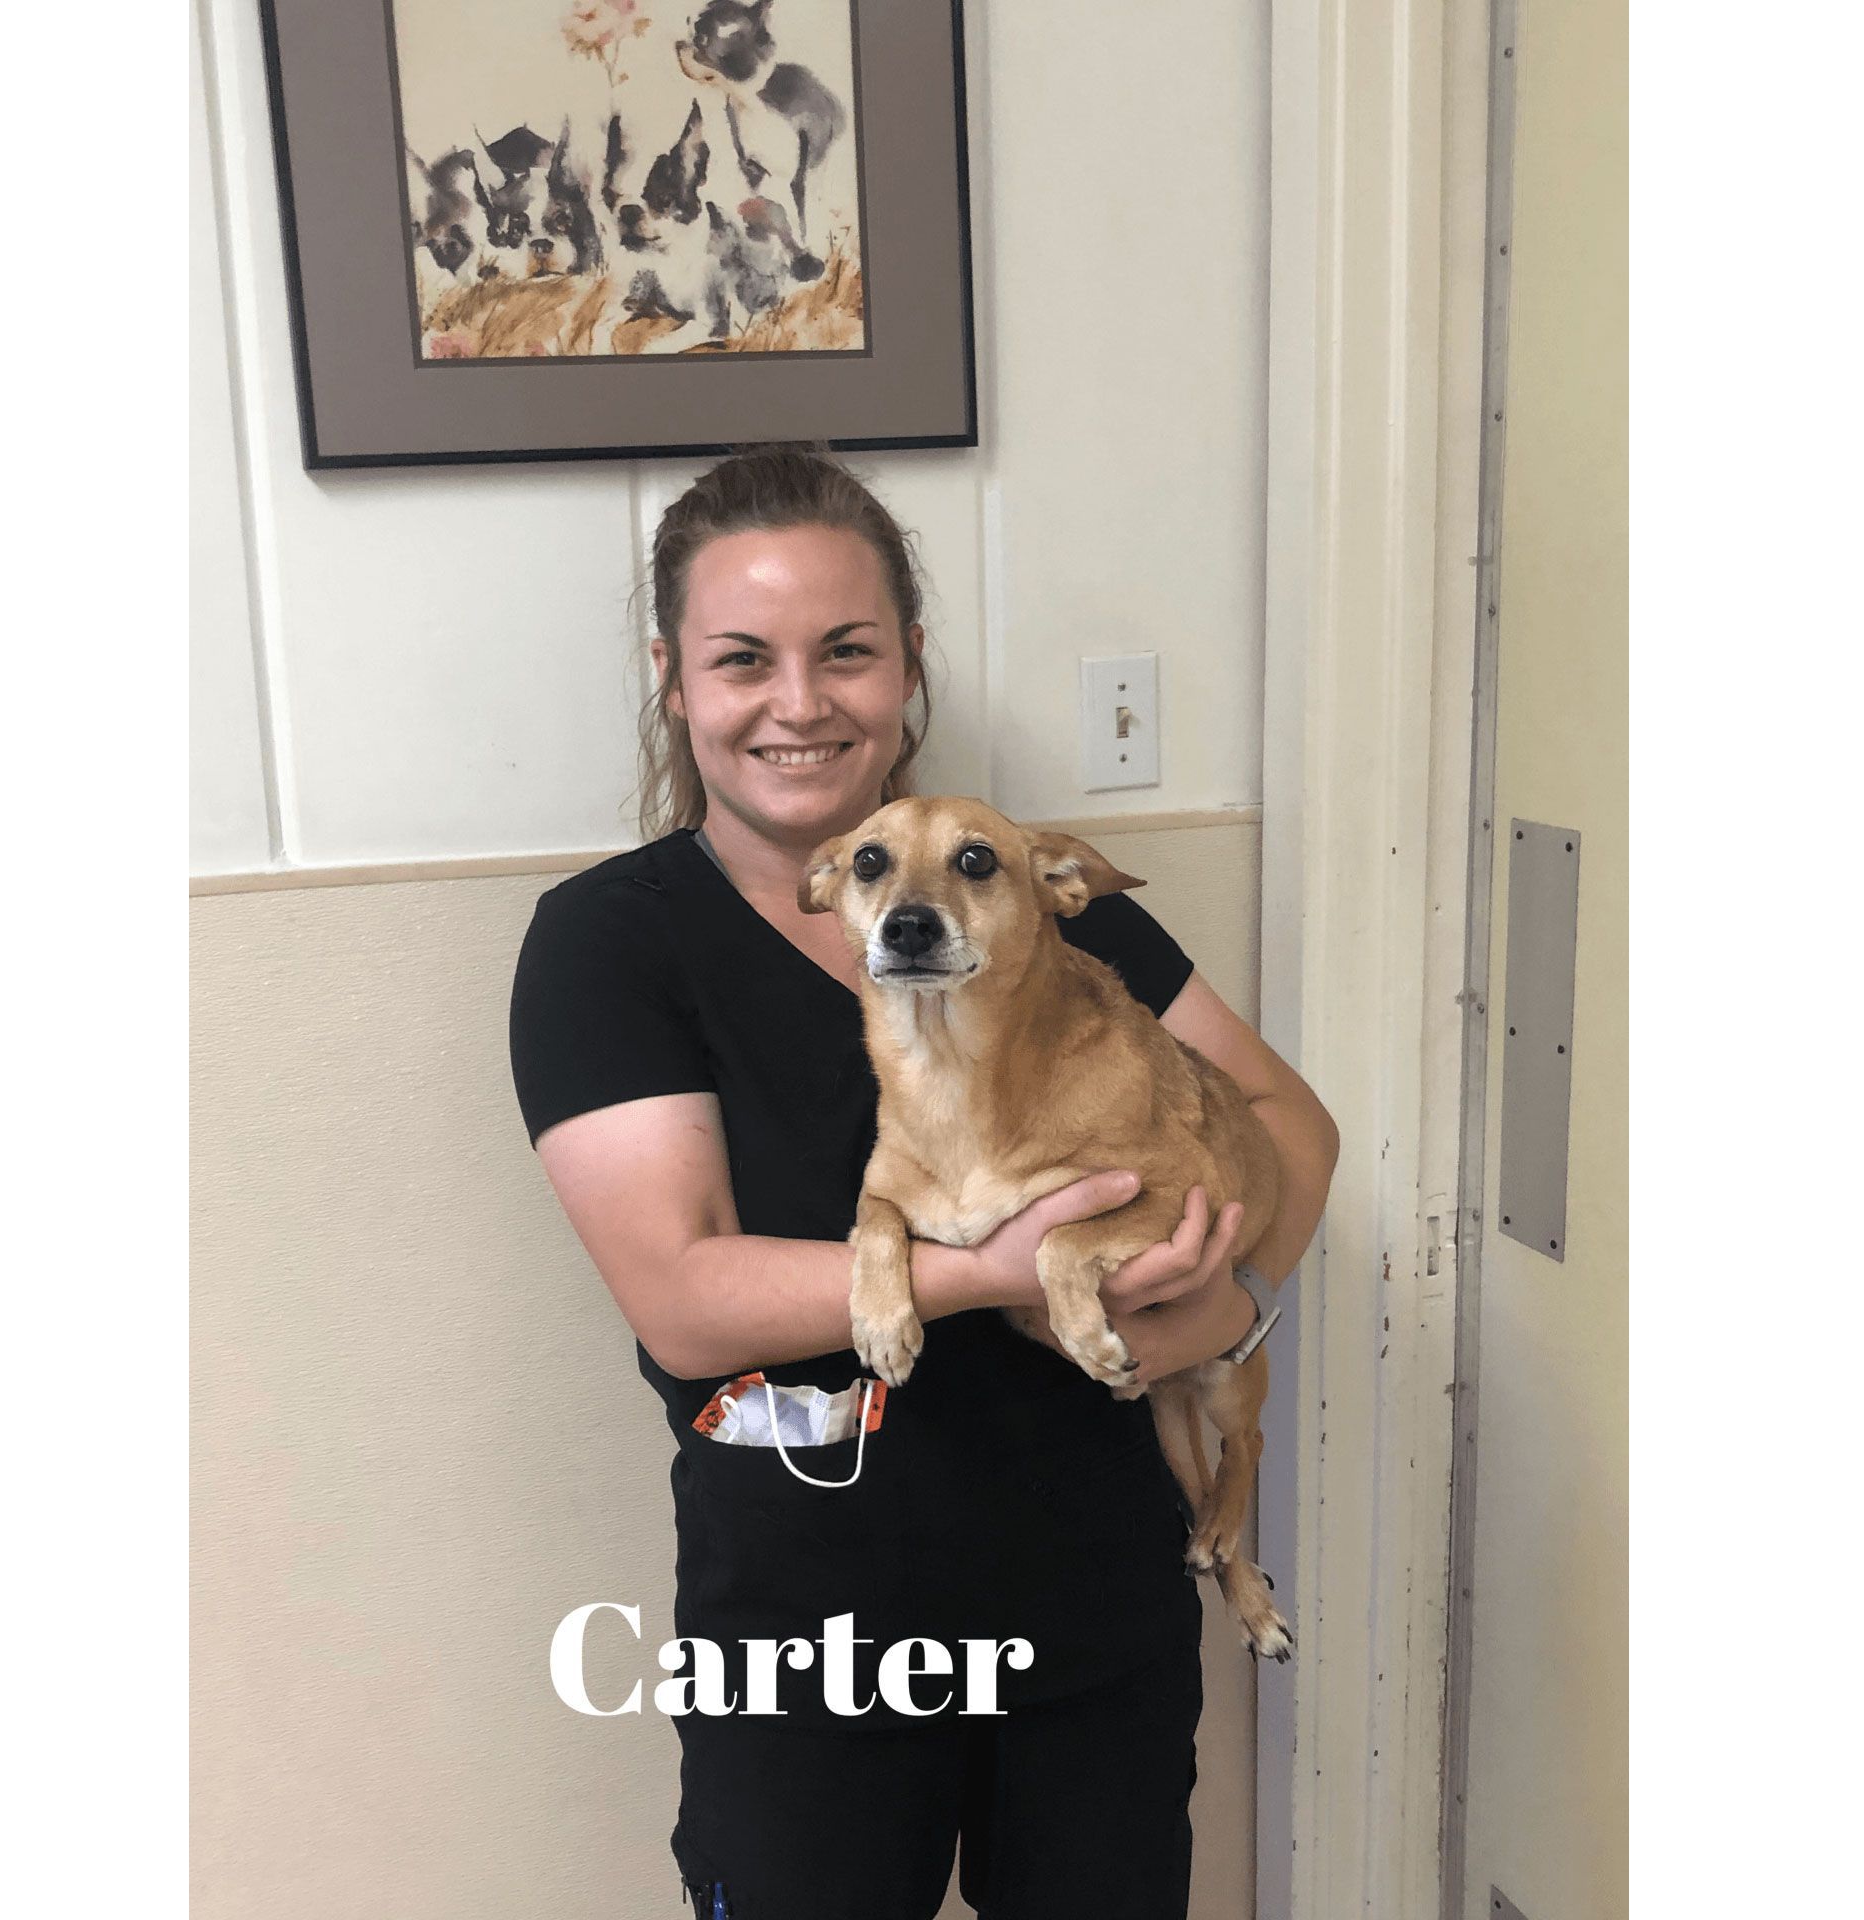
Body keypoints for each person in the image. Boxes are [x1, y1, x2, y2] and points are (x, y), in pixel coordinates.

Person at [509, 445, 1340, 1919]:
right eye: (742, 659)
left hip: (1093, 1620)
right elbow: (687, 1302)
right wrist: (1000, 1270)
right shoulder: (613, 947)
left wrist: (1228, 1294)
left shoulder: (1012, 894)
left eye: (847, 651)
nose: (800, 702)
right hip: (814, 1639)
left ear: (906, 667)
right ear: (675, 678)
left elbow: (1288, 1124)